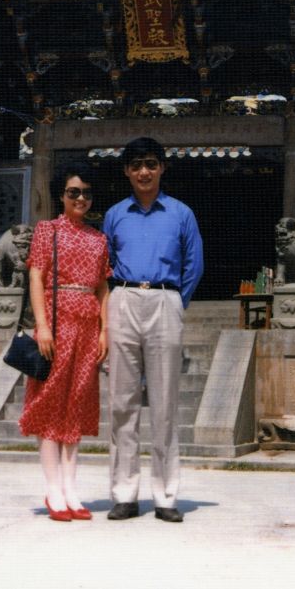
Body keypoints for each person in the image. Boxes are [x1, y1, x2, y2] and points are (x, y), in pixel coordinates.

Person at [103, 137, 204, 523]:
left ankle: (165, 496)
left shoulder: (181, 214)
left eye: (150, 163)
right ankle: (124, 493)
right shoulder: (115, 215)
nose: (143, 171)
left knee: (164, 404)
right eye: (136, 165)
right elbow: (107, 262)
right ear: (126, 172)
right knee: (121, 403)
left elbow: (193, 264)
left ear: (162, 168)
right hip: (124, 299)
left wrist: (175, 302)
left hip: (165, 299)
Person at [19, 162, 111, 522]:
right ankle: (53, 488)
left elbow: (104, 287)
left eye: (87, 193)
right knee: (49, 404)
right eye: (74, 192)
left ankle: (72, 489)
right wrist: (42, 326)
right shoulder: (48, 231)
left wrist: (105, 330)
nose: (81, 198)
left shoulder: (98, 238)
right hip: (56, 326)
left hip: (88, 327)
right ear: (62, 195)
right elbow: (36, 277)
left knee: (78, 403)